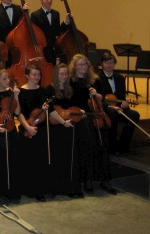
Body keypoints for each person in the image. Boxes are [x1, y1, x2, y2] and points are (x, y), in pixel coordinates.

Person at [68, 54, 117, 195]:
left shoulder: (95, 79)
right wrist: (79, 111)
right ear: (74, 66)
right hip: (82, 116)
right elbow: (70, 101)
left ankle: (105, 179)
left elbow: (104, 98)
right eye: (80, 65)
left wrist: (97, 95)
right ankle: (87, 178)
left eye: (85, 64)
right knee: (89, 142)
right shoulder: (71, 81)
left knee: (104, 142)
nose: (83, 67)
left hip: (97, 114)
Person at [44, 63, 83, 197]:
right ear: (56, 74)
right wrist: (63, 122)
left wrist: (79, 112)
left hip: (69, 126)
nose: (64, 76)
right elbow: (50, 110)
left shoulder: (69, 90)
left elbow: (72, 107)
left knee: (69, 158)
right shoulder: (49, 89)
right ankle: (56, 188)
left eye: (66, 73)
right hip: (57, 127)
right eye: (61, 73)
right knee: (57, 158)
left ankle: (69, 187)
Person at [0, 68, 22, 205]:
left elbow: (17, 112)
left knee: (12, 160)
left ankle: (12, 191)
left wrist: (17, 96)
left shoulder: (11, 92)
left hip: (11, 128)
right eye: (4, 79)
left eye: (8, 78)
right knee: (0, 162)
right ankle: (1, 192)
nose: (8, 81)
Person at [16, 65, 51, 202]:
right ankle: (28, 189)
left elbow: (44, 113)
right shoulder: (21, 92)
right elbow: (19, 114)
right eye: (34, 74)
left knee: (40, 161)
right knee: (28, 161)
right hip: (26, 129)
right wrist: (27, 127)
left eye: (39, 75)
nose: (37, 77)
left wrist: (45, 109)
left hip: (41, 129)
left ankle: (40, 190)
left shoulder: (42, 91)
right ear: (27, 76)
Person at [94, 52, 140, 154]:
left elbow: (122, 96)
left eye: (111, 62)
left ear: (114, 63)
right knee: (112, 112)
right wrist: (110, 106)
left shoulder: (120, 78)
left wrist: (124, 103)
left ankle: (123, 146)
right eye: (106, 62)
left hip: (119, 107)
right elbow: (97, 99)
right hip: (105, 108)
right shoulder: (97, 78)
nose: (109, 65)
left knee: (134, 115)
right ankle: (112, 147)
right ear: (102, 64)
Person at [30, 0, 70, 65]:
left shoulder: (56, 14)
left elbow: (58, 31)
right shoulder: (35, 14)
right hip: (41, 47)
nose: (49, 1)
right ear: (41, 1)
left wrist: (66, 22)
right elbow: (33, 33)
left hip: (52, 47)